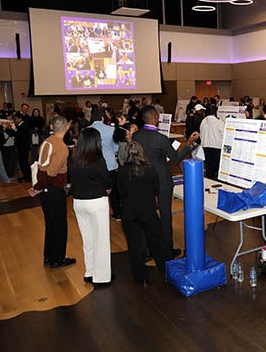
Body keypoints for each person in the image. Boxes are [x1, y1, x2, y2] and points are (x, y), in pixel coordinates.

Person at [132, 105, 200, 257]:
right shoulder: (161, 139)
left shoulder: (136, 136)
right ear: (155, 117)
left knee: (147, 215)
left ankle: (147, 249)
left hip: (144, 180)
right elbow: (176, 159)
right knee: (165, 216)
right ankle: (167, 249)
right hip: (162, 180)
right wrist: (188, 143)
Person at [117, 142, 173, 284]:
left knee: (134, 244)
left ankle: (140, 276)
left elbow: (120, 193)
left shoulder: (122, 172)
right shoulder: (150, 170)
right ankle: (165, 268)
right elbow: (156, 190)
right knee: (157, 240)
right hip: (148, 210)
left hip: (129, 211)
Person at [28, 116, 76, 269]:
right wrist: (37, 188)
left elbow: (42, 167)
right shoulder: (62, 148)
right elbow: (51, 173)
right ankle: (57, 259)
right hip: (54, 190)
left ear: (51, 126)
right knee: (59, 225)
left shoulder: (46, 141)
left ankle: (49, 256)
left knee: (50, 224)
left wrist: (38, 187)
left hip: (45, 189)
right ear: (67, 127)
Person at [69, 128, 113, 285]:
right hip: (96, 202)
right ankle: (102, 277)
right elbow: (107, 182)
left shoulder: (74, 158)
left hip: (79, 202)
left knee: (87, 240)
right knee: (101, 240)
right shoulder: (97, 160)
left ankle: (90, 271)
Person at [88, 107, 121, 220]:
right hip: (110, 165)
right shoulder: (111, 130)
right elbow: (117, 148)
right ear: (103, 117)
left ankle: (98, 216)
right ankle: (117, 213)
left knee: (96, 193)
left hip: (92, 166)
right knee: (114, 192)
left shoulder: (86, 131)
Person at [199, 107, 225, 180]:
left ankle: (208, 181)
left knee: (208, 166)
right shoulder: (219, 122)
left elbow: (201, 133)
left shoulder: (203, 121)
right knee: (217, 167)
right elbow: (224, 134)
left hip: (205, 146)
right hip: (217, 147)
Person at [13, 112, 32, 183]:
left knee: (24, 162)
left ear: (20, 119)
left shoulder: (23, 126)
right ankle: (25, 175)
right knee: (22, 162)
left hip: (23, 147)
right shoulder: (19, 126)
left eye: (16, 119)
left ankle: (28, 176)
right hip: (21, 146)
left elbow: (20, 136)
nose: (15, 120)